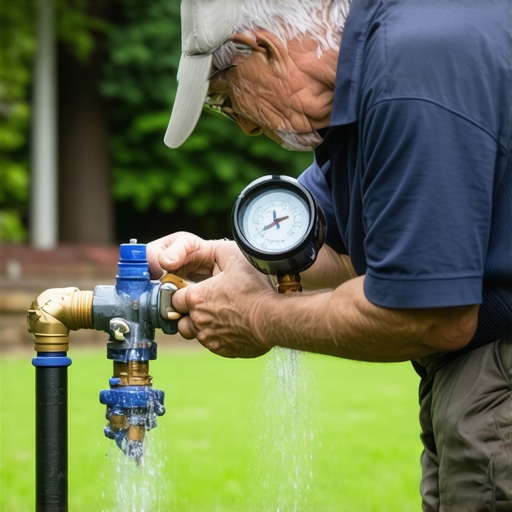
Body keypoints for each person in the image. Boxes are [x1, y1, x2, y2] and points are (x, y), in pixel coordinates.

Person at [147, 0, 512, 510]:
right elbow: (338, 252)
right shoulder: (362, 88)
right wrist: (227, 260)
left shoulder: (412, 72)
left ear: (262, 50)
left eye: (224, 101)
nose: (246, 128)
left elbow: (430, 313)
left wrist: (255, 316)